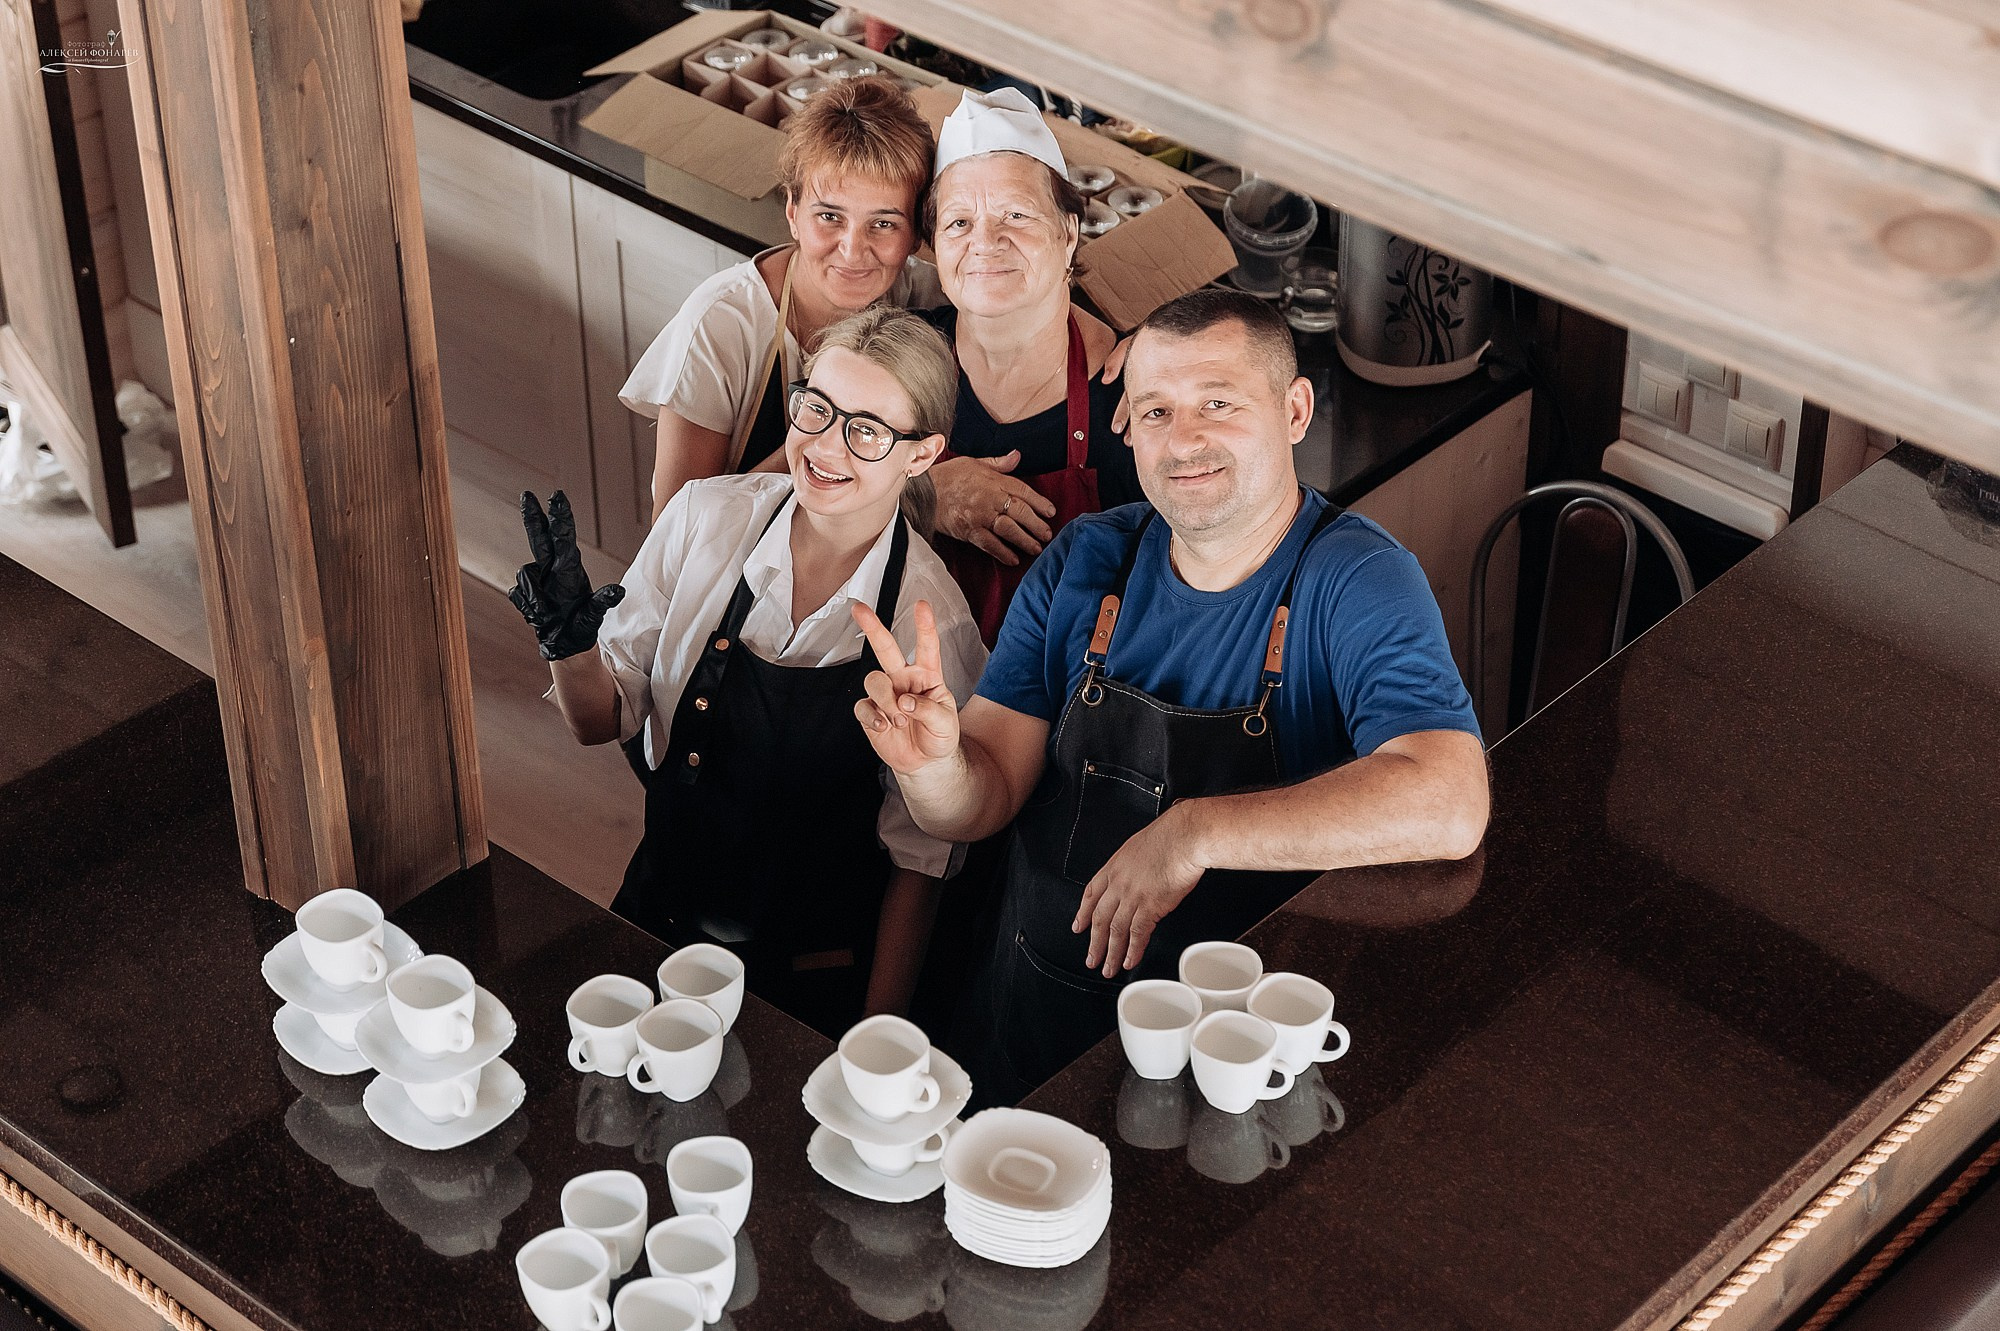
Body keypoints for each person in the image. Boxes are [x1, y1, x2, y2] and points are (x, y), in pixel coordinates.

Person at [852, 289, 1490, 1102]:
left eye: (1216, 403)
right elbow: (978, 802)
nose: (1182, 440)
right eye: (1154, 411)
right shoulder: (1085, 558)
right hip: (1031, 1031)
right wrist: (933, 766)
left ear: (1294, 410)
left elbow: (1451, 798)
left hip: (1232, 1063)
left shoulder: (1359, 579)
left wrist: (1194, 831)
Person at [510, 308, 986, 1036]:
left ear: (921, 456)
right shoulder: (704, 518)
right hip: (654, 926)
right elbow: (596, 722)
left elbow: (920, 866)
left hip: (812, 981)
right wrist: (568, 645)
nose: (826, 446)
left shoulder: (934, 624)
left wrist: (872, 1044)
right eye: (817, 409)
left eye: (866, 429)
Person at [619, 76, 941, 521]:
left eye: (883, 224)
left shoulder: (928, 299)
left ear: (917, 232)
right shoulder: (723, 323)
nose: (852, 249)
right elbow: (674, 532)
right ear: (792, 211)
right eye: (829, 216)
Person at [916, 88, 1143, 643]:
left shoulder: (1133, 397)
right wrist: (923, 498)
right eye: (959, 223)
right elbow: (802, 505)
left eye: (1015, 214)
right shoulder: (897, 361)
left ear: (1069, 231)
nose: (985, 242)